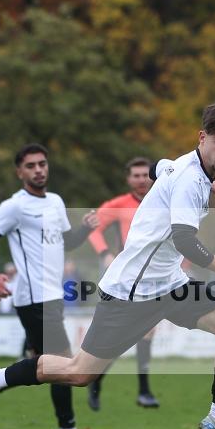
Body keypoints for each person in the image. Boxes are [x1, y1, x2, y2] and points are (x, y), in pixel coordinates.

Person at [0, 100, 215, 429]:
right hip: (132, 291)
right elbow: (184, 240)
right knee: (79, 372)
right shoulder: (190, 180)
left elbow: (157, 168)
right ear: (202, 137)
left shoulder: (182, 166)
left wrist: (211, 184)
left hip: (170, 285)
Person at [0, 143, 103, 429]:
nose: (38, 170)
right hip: (32, 297)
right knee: (62, 365)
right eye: (30, 166)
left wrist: (84, 230)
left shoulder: (56, 201)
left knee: (45, 366)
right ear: (19, 172)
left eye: (42, 163)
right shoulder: (14, 206)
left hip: (52, 296)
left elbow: (65, 242)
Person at [85, 157, 160, 409]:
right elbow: (93, 227)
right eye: (136, 175)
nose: (141, 180)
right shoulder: (119, 205)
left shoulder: (162, 200)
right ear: (128, 179)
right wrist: (105, 253)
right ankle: (97, 380)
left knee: (146, 332)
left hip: (154, 278)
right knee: (124, 336)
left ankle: (143, 392)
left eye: (145, 175)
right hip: (127, 279)